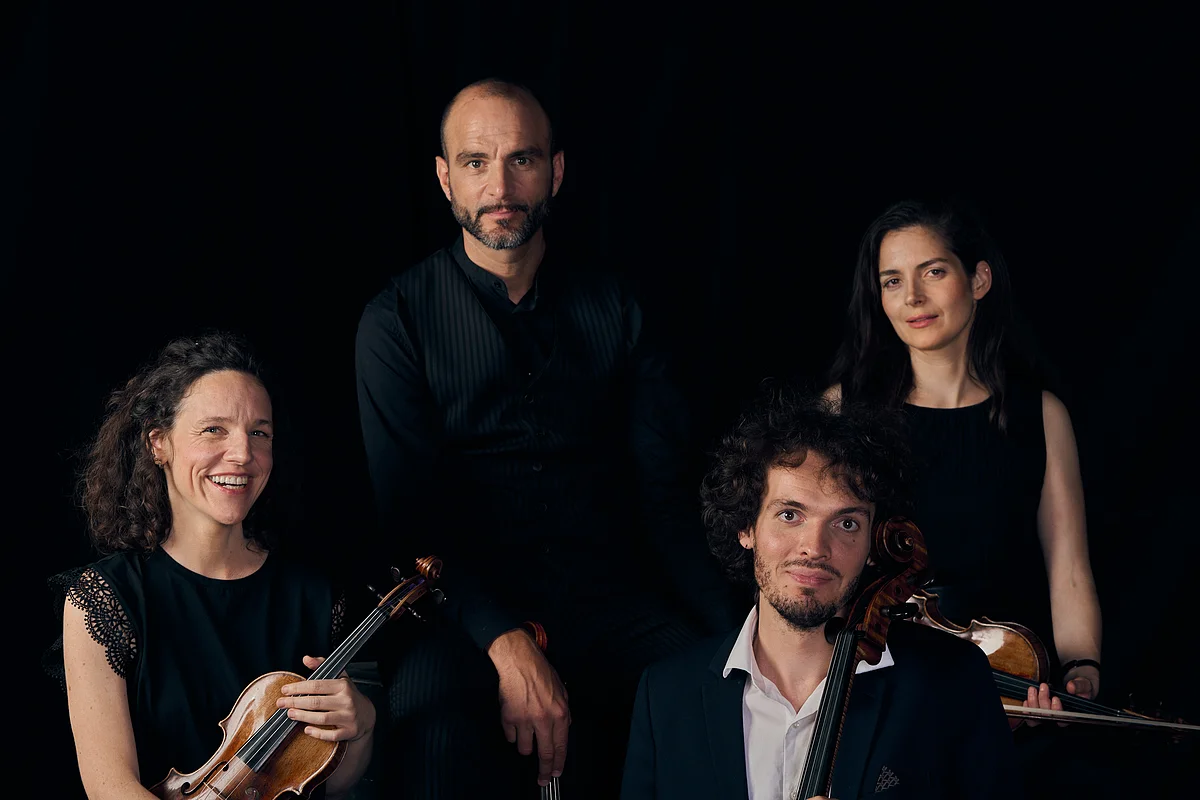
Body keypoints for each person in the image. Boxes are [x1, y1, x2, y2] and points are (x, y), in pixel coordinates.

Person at [354, 77, 735, 799]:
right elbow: (411, 523)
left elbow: (665, 496)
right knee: (433, 730)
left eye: (522, 160)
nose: (500, 187)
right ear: (444, 178)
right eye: (475, 162)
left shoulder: (618, 306)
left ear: (555, 171)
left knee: (719, 695)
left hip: (609, 600)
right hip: (460, 613)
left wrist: (744, 634)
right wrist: (504, 640)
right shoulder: (395, 320)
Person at [825, 198, 1106, 794]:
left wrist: (1080, 670)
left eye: (933, 271)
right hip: (877, 682)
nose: (912, 298)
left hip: (1005, 684)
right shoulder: (844, 412)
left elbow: (1069, 570)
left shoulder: (1040, 416)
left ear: (978, 279)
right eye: (892, 281)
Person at [620, 385, 1018, 799]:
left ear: (873, 544)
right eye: (790, 515)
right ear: (746, 527)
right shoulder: (666, 695)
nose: (815, 547)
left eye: (846, 523)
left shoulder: (951, 682)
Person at [47, 332, 375, 800]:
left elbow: (325, 785)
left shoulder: (316, 595)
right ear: (158, 444)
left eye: (259, 433)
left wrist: (361, 727)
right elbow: (109, 786)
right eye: (214, 429)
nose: (243, 454)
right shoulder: (106, 598)